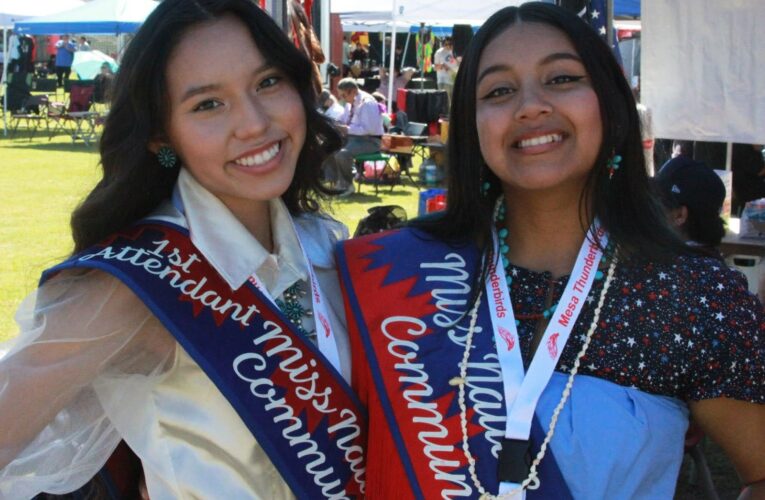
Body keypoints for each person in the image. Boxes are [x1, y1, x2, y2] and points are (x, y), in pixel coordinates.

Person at [335, 3, 765, 499]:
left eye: (561, 79)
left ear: (610, 101)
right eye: (498, 90)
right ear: (472, 125)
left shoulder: (694, 297)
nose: (530, 105)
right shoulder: (407, 274)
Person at [0, 1, 366, 498]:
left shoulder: (324, 242)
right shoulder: (136, 284)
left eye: (267, 83)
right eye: (208, 104)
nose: (255, 123)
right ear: (159, 134)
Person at [324, 77, 384, 195]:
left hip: (370, 141)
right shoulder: (350, 103)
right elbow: (344, 119)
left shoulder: (367, 103)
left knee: (342, 154)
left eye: (344, 95)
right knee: (328, 146)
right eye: (340, 96)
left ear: (353, 91)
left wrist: (346, 129)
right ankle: (334, 183)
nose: (342, 99)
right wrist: (334, 123)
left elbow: (369, 130)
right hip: (354, 138)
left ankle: (347, 186)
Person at [655, 160, 727, 257]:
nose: (648, 208)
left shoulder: (655, 267)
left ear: (680, 215)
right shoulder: (722, 269)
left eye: (655, 202)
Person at [433, 36, 459, 102]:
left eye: (450, 44)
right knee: (445, 103)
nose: (448, 46)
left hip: (454, 81)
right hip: (443, 81)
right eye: (446, 44)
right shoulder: (439, 52)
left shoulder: (456, 52)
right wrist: (443, 66)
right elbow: (435, 68)